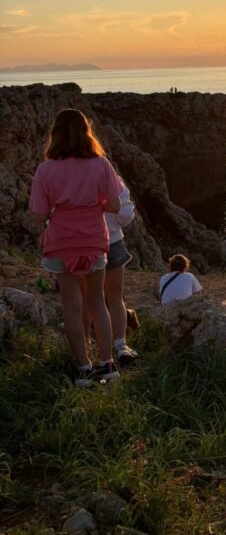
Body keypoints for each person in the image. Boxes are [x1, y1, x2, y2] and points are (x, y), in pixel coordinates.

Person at [29, 108, 122, 386]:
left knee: (71, 306)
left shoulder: (46, 169)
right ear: (86, 132)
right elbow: (115, 206)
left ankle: (83, 368)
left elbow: (38, 214)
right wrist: (97, 204)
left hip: (61, 243)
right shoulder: (101, 164)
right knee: (97, 302)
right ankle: (108, 365)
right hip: (94, 240)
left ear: (55, 135)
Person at [82, 179, 139, 365]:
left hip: (84, 245)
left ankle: (87, 345)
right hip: (112, 242)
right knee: (115, 298)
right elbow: (125, 215)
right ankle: (121, 346)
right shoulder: (110, 177)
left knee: (87, 300)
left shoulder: (69, 175)